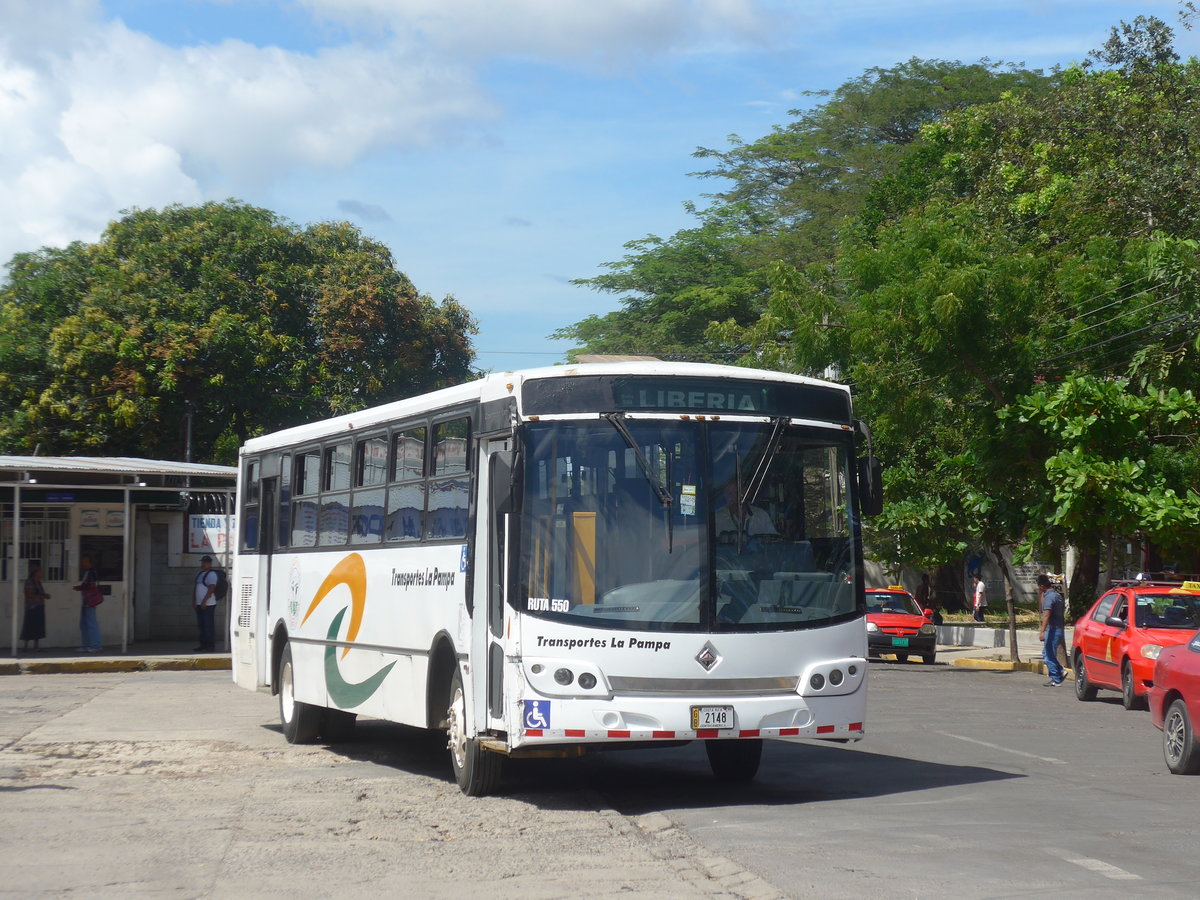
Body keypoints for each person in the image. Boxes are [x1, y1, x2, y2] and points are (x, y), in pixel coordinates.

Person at [1037, 573, 1066, 686]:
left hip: (1052, 629)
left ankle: (1056, 678)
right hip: (1058, 628)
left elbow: (1046, 615)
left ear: (1042, 586)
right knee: (1046, 653)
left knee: (1048, 655)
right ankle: (1060, 671)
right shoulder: (1056, 595)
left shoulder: (1049, 597)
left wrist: (1042, 631)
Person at [72, 555, 102, 653]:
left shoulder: (91, 572)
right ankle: (86, 645)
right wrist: (80, 588)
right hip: (85, 600)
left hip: (90, 601)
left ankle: (95, 645)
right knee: (84, 624)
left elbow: (92, 586)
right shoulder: (87, 573)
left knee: (91, 623)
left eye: (84, 561)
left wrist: (82, 588)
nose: (82, 563)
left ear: (89, 563)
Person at [21, 561, 49, 652]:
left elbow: (40, 593)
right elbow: (29, 594)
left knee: (38, 627)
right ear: (35, 572)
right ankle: (25, 646)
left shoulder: (39, 582)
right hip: (32, 607)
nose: (41, 573)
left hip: (39, 606)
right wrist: (41, 596)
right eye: (40, 571)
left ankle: (36, 646)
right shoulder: (30, 582)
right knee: (29, 626)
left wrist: (45, 595)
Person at [194, 555, 218, 652]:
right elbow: (196, 588)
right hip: (199, 604)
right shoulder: (201, 574)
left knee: (208, 626)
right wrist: (195, 600)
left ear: (210, 564)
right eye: (203, 562)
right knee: (201, 625)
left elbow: (212, 588)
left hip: (208, 604)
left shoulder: (212, 574)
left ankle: (210, 646)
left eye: (206, 562)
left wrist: (204, 601)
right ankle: (203, 644)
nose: (203, 564)